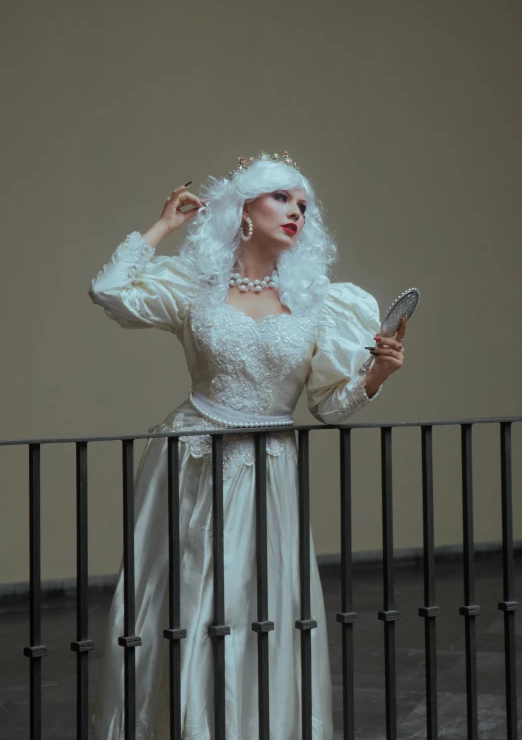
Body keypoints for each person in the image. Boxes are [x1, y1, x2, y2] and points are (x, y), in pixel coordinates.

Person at [88, 150, 407, 739]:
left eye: (305, 206)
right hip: (191, 457)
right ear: (244, 206)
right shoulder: (195, 287)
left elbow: (329, 406)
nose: (296, 213)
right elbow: (108, 291)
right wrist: (162, 226)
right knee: (184, 603)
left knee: (255, 607)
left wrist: (378, 373)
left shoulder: (321, 302)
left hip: (270, 466)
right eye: (282, 198)